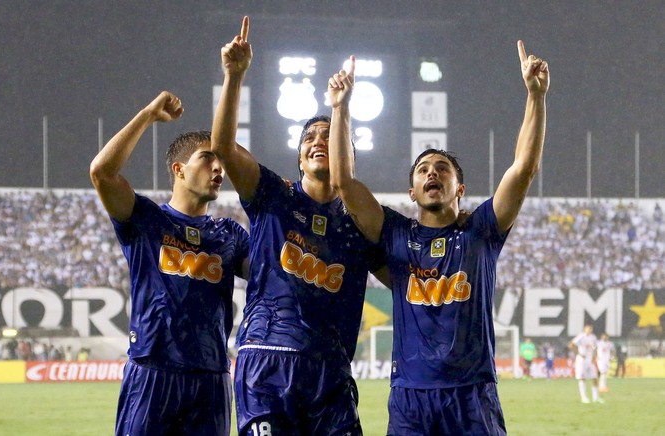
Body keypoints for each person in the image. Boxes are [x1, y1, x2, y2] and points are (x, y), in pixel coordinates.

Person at [328, 41, 548, 434]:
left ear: (459, 187)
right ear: (412, 191)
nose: (432, 173)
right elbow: (343, 182)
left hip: (472, 394)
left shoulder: (481, 230)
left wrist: (535, 96)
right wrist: (341, 108)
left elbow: (524, 168)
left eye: (442, 168)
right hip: (411, 396)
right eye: (423, 169)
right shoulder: (394, 233)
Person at [211, 17, 382, 435]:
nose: (319, 140)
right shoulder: (275, 196)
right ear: (300, 160)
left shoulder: (364, 224)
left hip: (331, 372)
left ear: (349, 161)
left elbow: (410, 277)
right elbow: (224, 149)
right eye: (310, 138)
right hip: (267, 360)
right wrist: (234, 78)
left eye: (330, 136)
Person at [89, 91, 249, 436]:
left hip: (211, 376)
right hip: (152, 369)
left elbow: (273, 274)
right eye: (208, 158)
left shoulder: (229, 233)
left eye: (221, 160)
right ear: (179, 169)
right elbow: (102, 172)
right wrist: (147, 115)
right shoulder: (146, 220)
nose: (219, 167)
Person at [570, 324, 603, 404]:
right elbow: (571, 345)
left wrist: (594, 355)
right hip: (582, 360)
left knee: (595, 378)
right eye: (588, 328)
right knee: (582, 377)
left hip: (590, 360)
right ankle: (584, 397)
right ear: (585, 329)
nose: (590, 330)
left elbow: (595, 347)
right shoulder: (581, 336)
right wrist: (579, 354)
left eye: (591, 329)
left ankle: (596, 397)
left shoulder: (593, 337)